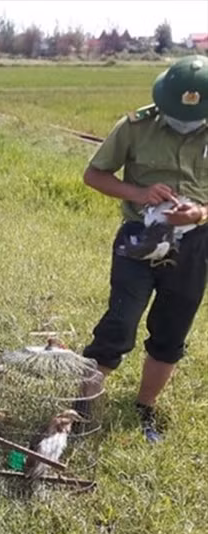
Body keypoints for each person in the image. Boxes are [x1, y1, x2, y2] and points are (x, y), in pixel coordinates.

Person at [80, 55, 208, 443]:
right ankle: (83, 405)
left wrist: (200, 213)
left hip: (194, 243)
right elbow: (94, 174)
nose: (182, 122)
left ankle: (145, 407)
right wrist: (139, 192)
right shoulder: (136, 126)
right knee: (120, 320)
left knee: (172, 328)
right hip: (139, 236)